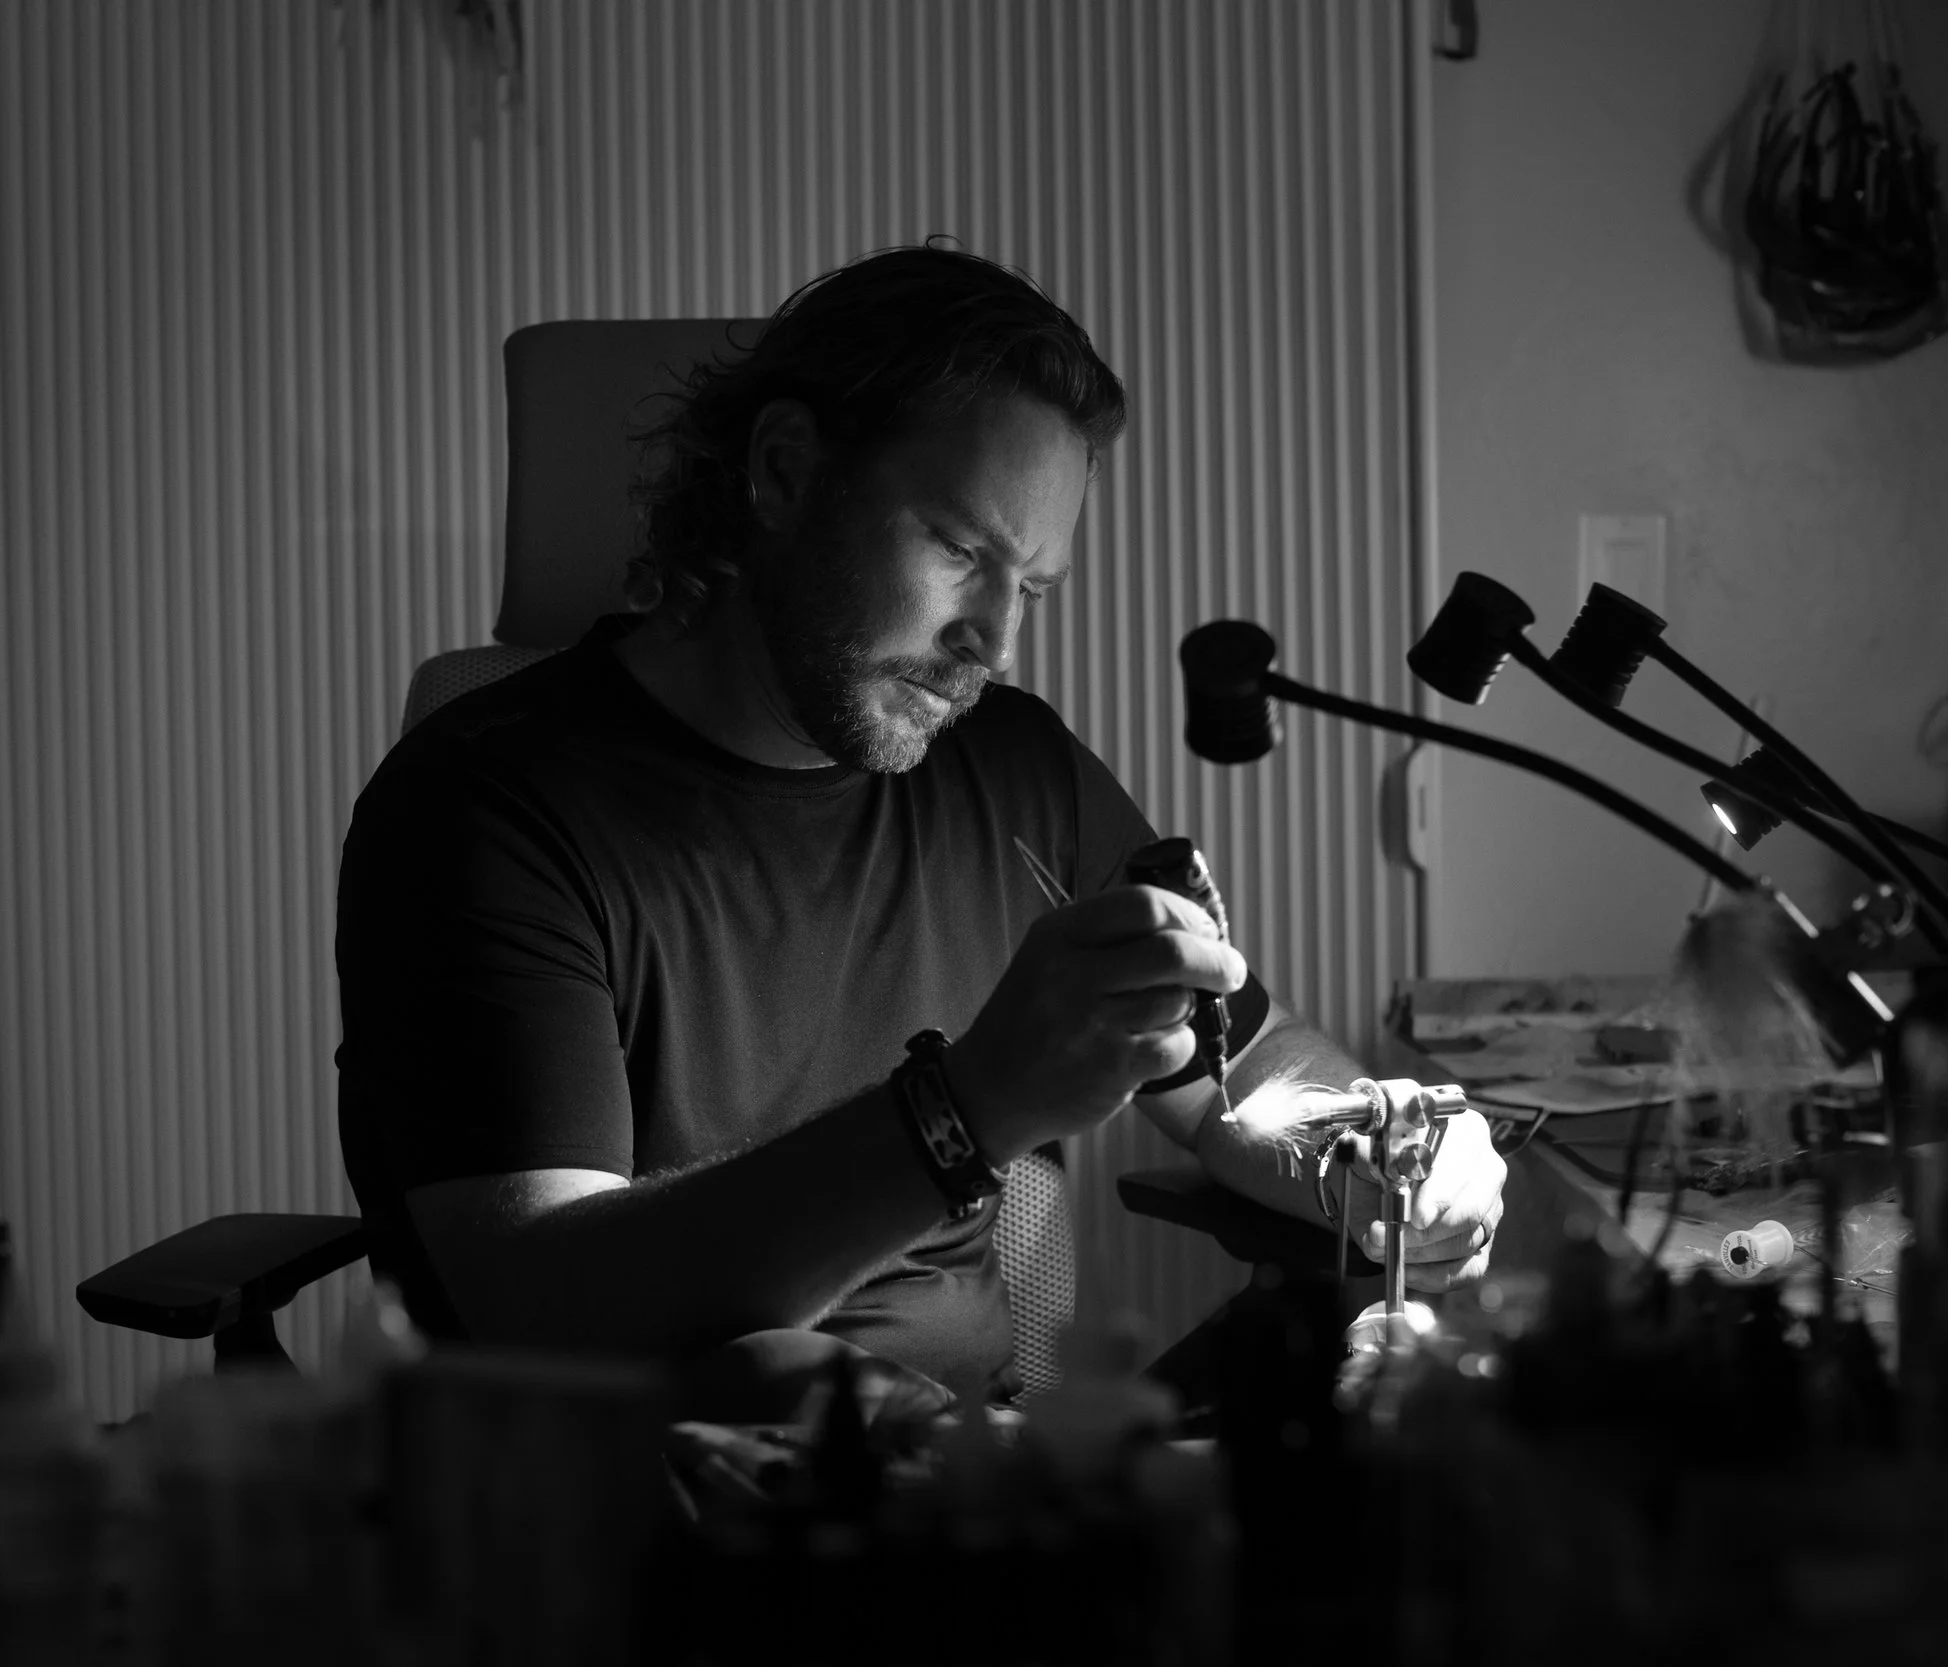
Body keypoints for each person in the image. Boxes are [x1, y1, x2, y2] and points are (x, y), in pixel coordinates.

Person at [334, 242, 1506, 1417]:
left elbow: (1241, 1063)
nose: (992, 643)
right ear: (784, 471)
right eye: (958, 550)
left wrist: (1366, 1146)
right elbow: (547, 1304)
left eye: (1031, 587)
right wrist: (971, 1105)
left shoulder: (1008, 761)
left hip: (974, 1482)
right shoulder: (485, 806)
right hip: (656, 1507)